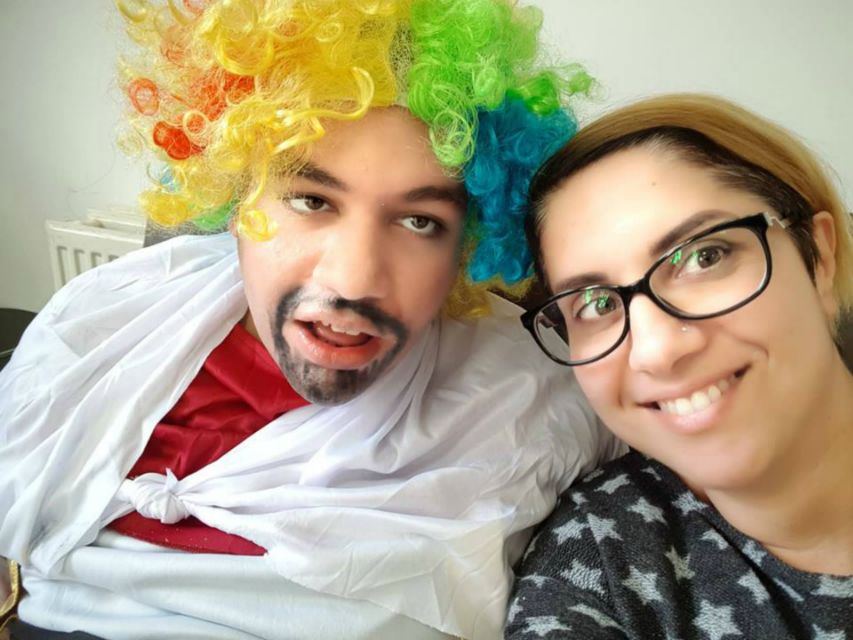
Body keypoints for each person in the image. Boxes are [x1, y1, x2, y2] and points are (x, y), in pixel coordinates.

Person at [0, 1, 621, 639]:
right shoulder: (106, 316)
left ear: (468, 243)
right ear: (236, 196)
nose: (353, 280)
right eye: (310, 200)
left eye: (419, 221)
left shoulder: (535, 395)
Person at [505, 92, 853, 639]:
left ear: (820, 258)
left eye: (703, 256)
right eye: (596, 304)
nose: (657, 350)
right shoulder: (599, 568)